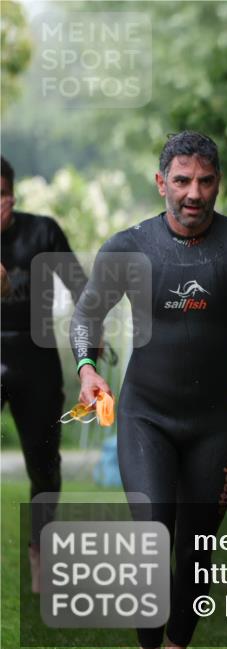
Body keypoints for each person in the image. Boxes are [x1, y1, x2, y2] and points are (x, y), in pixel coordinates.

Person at [70, 131, 227, 649]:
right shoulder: (129, 247)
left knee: (195, 551)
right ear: (160, 184)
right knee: (151, 539)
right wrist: (87, 370)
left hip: (215, 424)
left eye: (205, 181)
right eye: (182, 181)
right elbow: (88, 315)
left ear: (218, 183)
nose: (194, 193)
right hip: (144, 413)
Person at [0, 155, 89, 593]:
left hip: (34, 356)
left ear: (9, 199)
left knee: (45, 466)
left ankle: (40, 550)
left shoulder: (42, 231)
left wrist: (89, 344)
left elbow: (82, 288)